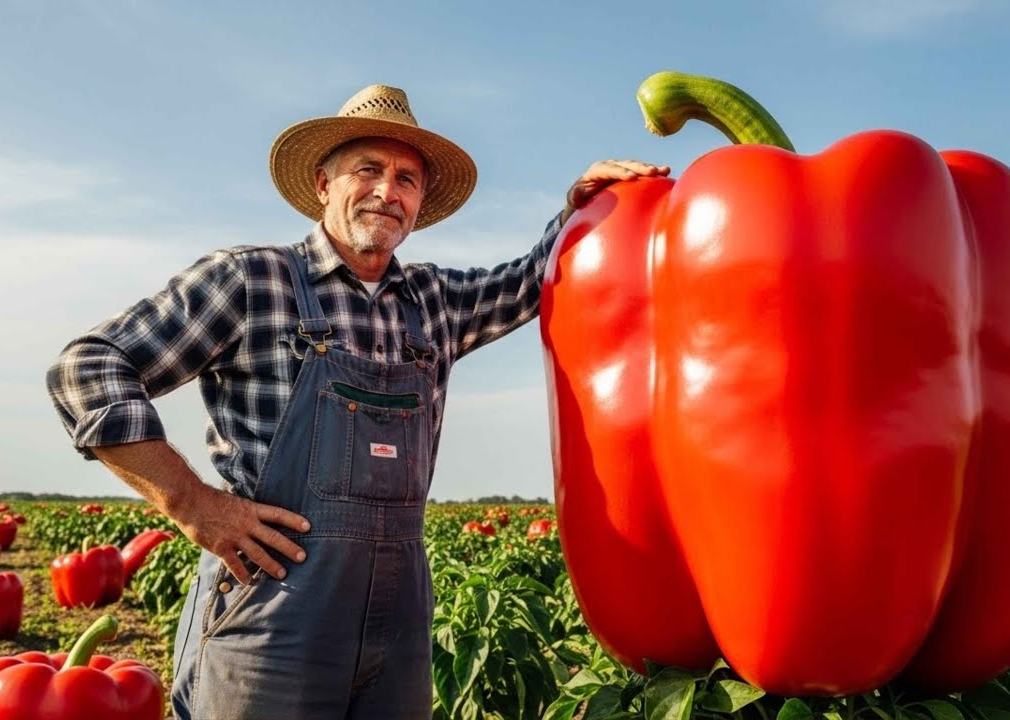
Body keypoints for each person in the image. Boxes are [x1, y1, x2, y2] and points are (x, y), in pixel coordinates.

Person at [46, 83, 669, 719]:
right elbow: (87, 369)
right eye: (367, 170)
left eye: (406, 179)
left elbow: (534, 279)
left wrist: (579, 207)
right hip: (272, 610)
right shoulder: (250, 280)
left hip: (397, 620)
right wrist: (192, 503)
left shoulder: (434, 301)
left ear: (420, 202)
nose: (387, 191)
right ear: (323, 184)